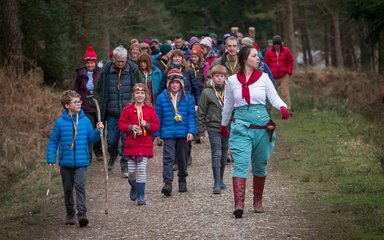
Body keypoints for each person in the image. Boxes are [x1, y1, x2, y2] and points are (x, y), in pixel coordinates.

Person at [220, 46, 290, 218]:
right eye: (254, 56)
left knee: (260, 165)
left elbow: (273, 97)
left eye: (258, 56)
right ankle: (239, 204)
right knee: (241, 164)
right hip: (241, 127)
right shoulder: (233, 81)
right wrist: (223, 125)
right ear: (245, 59)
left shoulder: (264, 78)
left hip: (262, 127)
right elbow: (228, 104)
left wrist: (283, 107)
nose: (258, 58)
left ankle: (257, 200)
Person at [46, 90, 104, 227]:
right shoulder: (60, 123)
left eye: (80, 101)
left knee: (80, 187)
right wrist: (51, 159)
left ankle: (82, 213)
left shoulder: (85, 121)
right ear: (67, 105)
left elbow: (91, 138)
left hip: (81, 161)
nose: (79, 104)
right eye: (76, 102)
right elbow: (53, 142)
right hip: (65, 162)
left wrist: (98, 130)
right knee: (67, 189)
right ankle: (70, 213)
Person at [94, 45, 138, 178]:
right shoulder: (106, 70)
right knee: (112, 141)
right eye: (118, 61)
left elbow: (140, 87)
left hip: (128, 112)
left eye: (123, 61)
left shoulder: (132, 69)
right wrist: (97, 101)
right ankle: (113, 155)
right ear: (114, 59)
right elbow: (97, 89)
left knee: (126, 141)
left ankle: (124, 164)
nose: (121, 63)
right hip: (112, 113)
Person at [154, 68, 196, 197]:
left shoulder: (188, 97)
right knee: (168, 158)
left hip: (183, 133)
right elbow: (158, 116)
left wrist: (191, 131)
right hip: (168, 133)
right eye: (172, 83)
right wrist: (157, 134)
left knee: (182, 158)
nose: (174, 85)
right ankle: (168, 183)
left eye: (177, 83)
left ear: (181, 83)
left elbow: (191, 116)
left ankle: (182, 179)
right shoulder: (161, 97)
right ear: (168, 83)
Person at [118, 83, 160, 205]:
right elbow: (121, 125)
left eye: (142, 93)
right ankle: (134, 186)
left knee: (141, 169)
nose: (140, 95)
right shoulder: (128, 109)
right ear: (133, 95)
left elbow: (156, 126)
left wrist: (146, 125)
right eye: (137, 93)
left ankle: (141, 196)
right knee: (131, 172)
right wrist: (131, 127)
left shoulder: (150, 110)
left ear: (146, 95)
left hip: (145, 144)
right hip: (131, 144)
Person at [197, 65, 228, 194]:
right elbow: (201, 112)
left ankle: (221, 180)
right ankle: (216, 182)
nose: (219, 78)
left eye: (221, 76)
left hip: (227, 126)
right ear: (212, 77)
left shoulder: (229, 90)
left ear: (225, 77)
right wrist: (200, 131)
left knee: (224, 154)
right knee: (217, 153)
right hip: (213, 126)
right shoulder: (207, 92)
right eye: (217, 76)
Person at [72, 46, 103, 162]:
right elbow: (75, 90)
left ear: (95, 62)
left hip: (98, 105)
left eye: (92, 63)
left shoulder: (100, 73)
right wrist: (76, 102)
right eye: (88, 63)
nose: (90, 65)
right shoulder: (80, 74)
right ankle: (88, 155)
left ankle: (99, 152)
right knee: (88, 129)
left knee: (99, 128)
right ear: (86, 63)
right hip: (85, 105)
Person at [264, 35, 294, 110]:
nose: (277, 46)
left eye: (278, 45)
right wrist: (267, 74)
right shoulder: (269, 52)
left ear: (281, 44)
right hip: (273, 76)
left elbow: (290, 61)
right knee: (271, 92)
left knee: (284, 92)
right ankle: (267, 108)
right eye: (275, 45)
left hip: (284, 75)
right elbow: (266, 64)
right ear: (273, 45)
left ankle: (287, 108)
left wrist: (289, 71)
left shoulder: (286, 51)